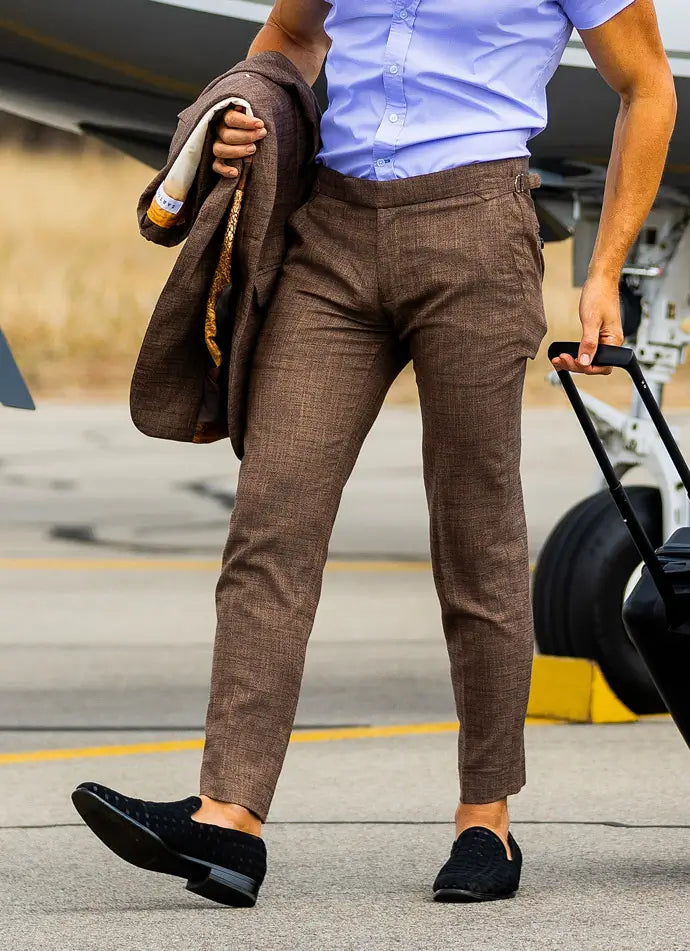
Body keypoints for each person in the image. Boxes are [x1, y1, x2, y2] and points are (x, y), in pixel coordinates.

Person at [72, 0, 676, 906]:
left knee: (478, 540)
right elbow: (289, 36)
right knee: (271, 518)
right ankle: (228, 819)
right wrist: (246, 114)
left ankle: (486, 820)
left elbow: (647, 86)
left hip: (476, 229)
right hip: (335, 233)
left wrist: (603, 273)